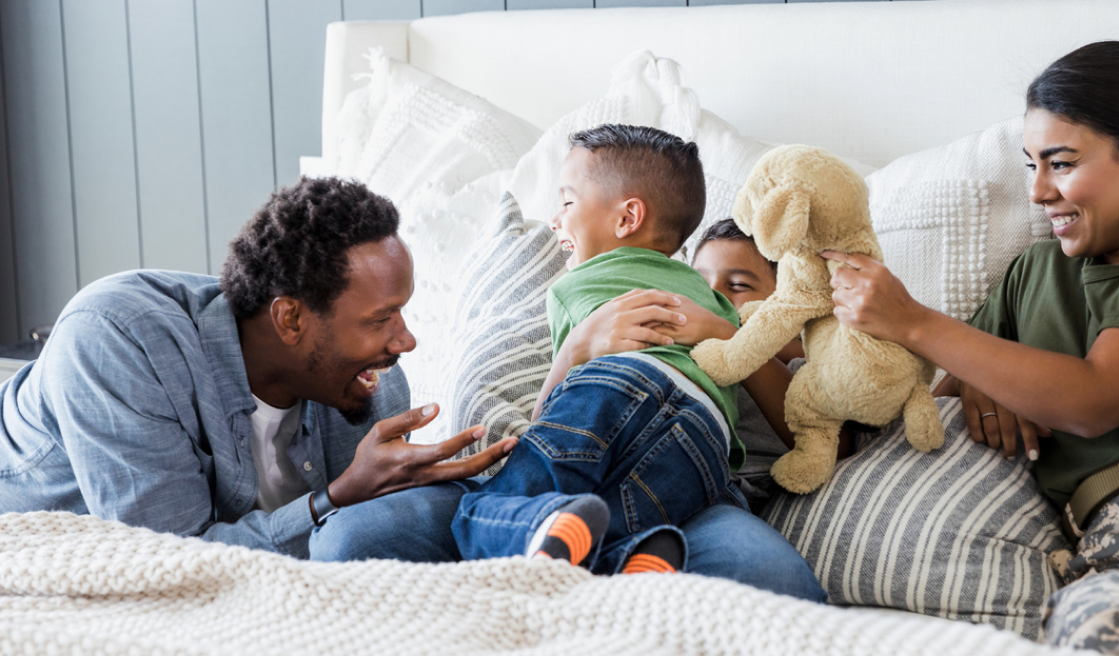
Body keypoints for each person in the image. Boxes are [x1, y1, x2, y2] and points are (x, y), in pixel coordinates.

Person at [824, 41, 1119, 654]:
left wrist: (917, 323)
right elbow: (936, 404)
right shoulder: (1030, 276)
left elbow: (1097, 399)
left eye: (1060, 163)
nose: (1039, 191)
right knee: (1090, 630)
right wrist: (979, 370)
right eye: (1030, 165)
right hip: (1117, 544)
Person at [0, 177, 514, 558]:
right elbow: (167, 561)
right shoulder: (117, 340)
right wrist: (335, 497)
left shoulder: (370, 387)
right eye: (381, 319)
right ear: (290, 318)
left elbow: (363, 530)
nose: (406, 340)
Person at [450, 124, 758, 577]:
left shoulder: (575, 284)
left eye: (567, 202)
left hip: (613, 386)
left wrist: (570, 353)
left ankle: (541, 523)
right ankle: (637, 559)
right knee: (620, 515)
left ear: (627, 218)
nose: (556, 219)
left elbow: (548, 418)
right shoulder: (707, 296)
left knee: (485, 511)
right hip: (708, 432)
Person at [690, 218, 855, 511]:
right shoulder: (680, 339)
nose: (713, 296)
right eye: (698, 283)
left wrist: (741, 343)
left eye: (739, 285)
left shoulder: (808, 367)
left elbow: (836, 443)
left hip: (721, 493)